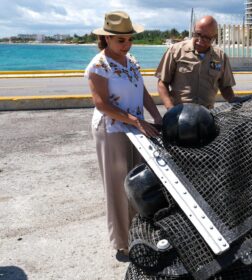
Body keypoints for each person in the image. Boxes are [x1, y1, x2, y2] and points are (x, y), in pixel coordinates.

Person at [85, 11, 162, 260]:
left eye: (130, 39)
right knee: (118, 186)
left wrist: (156, 116)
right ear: (107, 38)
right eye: (121, 41)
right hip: (112, 130)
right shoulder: (98, 66)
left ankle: (138, 231)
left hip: (134, 127)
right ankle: (123, 242)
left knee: (138, 182)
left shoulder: (131, 60)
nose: (127, 45)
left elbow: (142, 92)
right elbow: (102, 105)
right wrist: (137, 121)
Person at [155, 16, 241, 109]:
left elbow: (225, 87)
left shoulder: (221, 57)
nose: (200, 41)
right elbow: (162, 82)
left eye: (206, 38)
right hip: (179, 113)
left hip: (206, 115)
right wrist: (170, 108)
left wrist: (233, 101)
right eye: (198, 34)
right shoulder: (175, 51)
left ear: (214, 37)